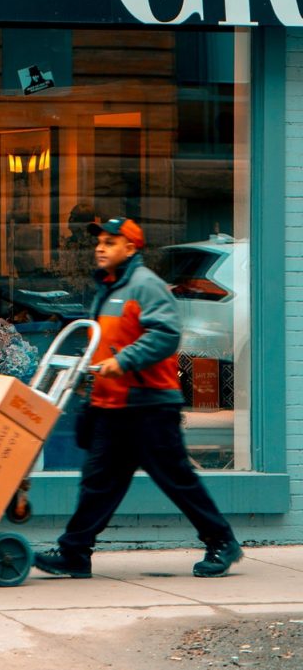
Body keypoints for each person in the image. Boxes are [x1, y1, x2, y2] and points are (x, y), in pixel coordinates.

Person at [33, 217, 243, 579]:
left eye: (110, 242)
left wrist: (123, 361)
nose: (100, 248)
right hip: (113, 404)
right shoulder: (109, 287)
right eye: (99, 241)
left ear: (130, 248)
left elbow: (165, 334)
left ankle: (222, 541)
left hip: (149, 404)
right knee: (98, 482)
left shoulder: (146, 285)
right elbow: (107, 341)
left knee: (175, 478)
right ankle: (74, 553)